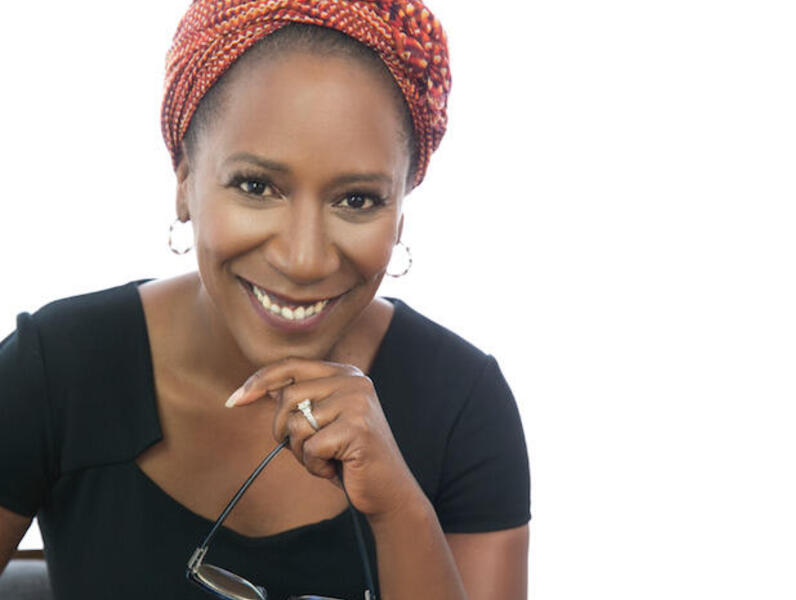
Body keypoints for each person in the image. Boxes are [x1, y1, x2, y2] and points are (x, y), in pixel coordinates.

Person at [0, 1, 530, 598]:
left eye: (357, 200)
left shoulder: (462, 406)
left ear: (401, 209)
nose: (304, 260)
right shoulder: (57, 370)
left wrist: (399, 510)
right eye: (256, 186)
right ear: (185, 179)